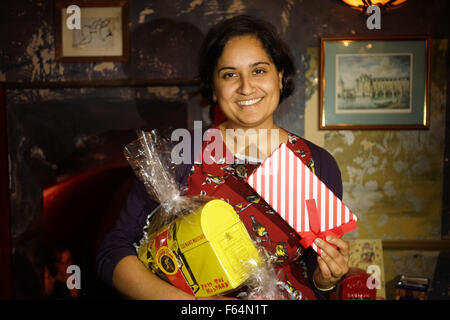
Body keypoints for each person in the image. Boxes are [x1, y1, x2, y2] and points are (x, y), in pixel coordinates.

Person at [96, 15, 349, 300]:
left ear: (280, 75)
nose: (245, 87)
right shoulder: (182, 153)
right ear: (214, 88)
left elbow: (317, 273)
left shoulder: (318, 163)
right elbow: (112, 253)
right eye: (230, 74)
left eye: (259, 71)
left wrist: (327, 278)